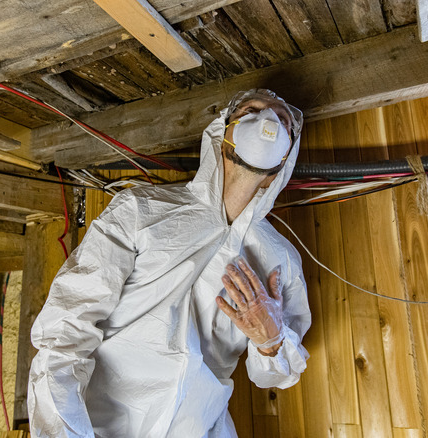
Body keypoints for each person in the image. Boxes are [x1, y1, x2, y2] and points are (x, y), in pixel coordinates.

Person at [28, 89, 311, 437]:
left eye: (283, 121)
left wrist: (271, 341)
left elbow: (275, 376)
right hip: (100, 427)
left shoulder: (280, 259)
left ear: (284, 158)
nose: (268, 121)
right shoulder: (140, 210)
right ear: (224, 135)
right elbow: (66, 328)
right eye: (252, 110)